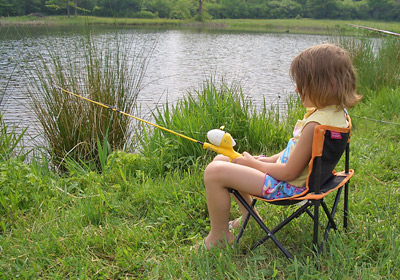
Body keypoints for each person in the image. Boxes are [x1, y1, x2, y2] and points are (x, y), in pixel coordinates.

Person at [202, 43, 362, 250]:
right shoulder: (336, 115)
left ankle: (219, 237)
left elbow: (288, 172)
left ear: (326, 84)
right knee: (224, 159)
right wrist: (265, 161)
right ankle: (248, 218)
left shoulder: (316, 124)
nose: (296, 89)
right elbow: (297, 151)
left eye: (302, 84)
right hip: (306, 180)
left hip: (287, 188)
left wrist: (253, 163)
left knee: (215, 171)